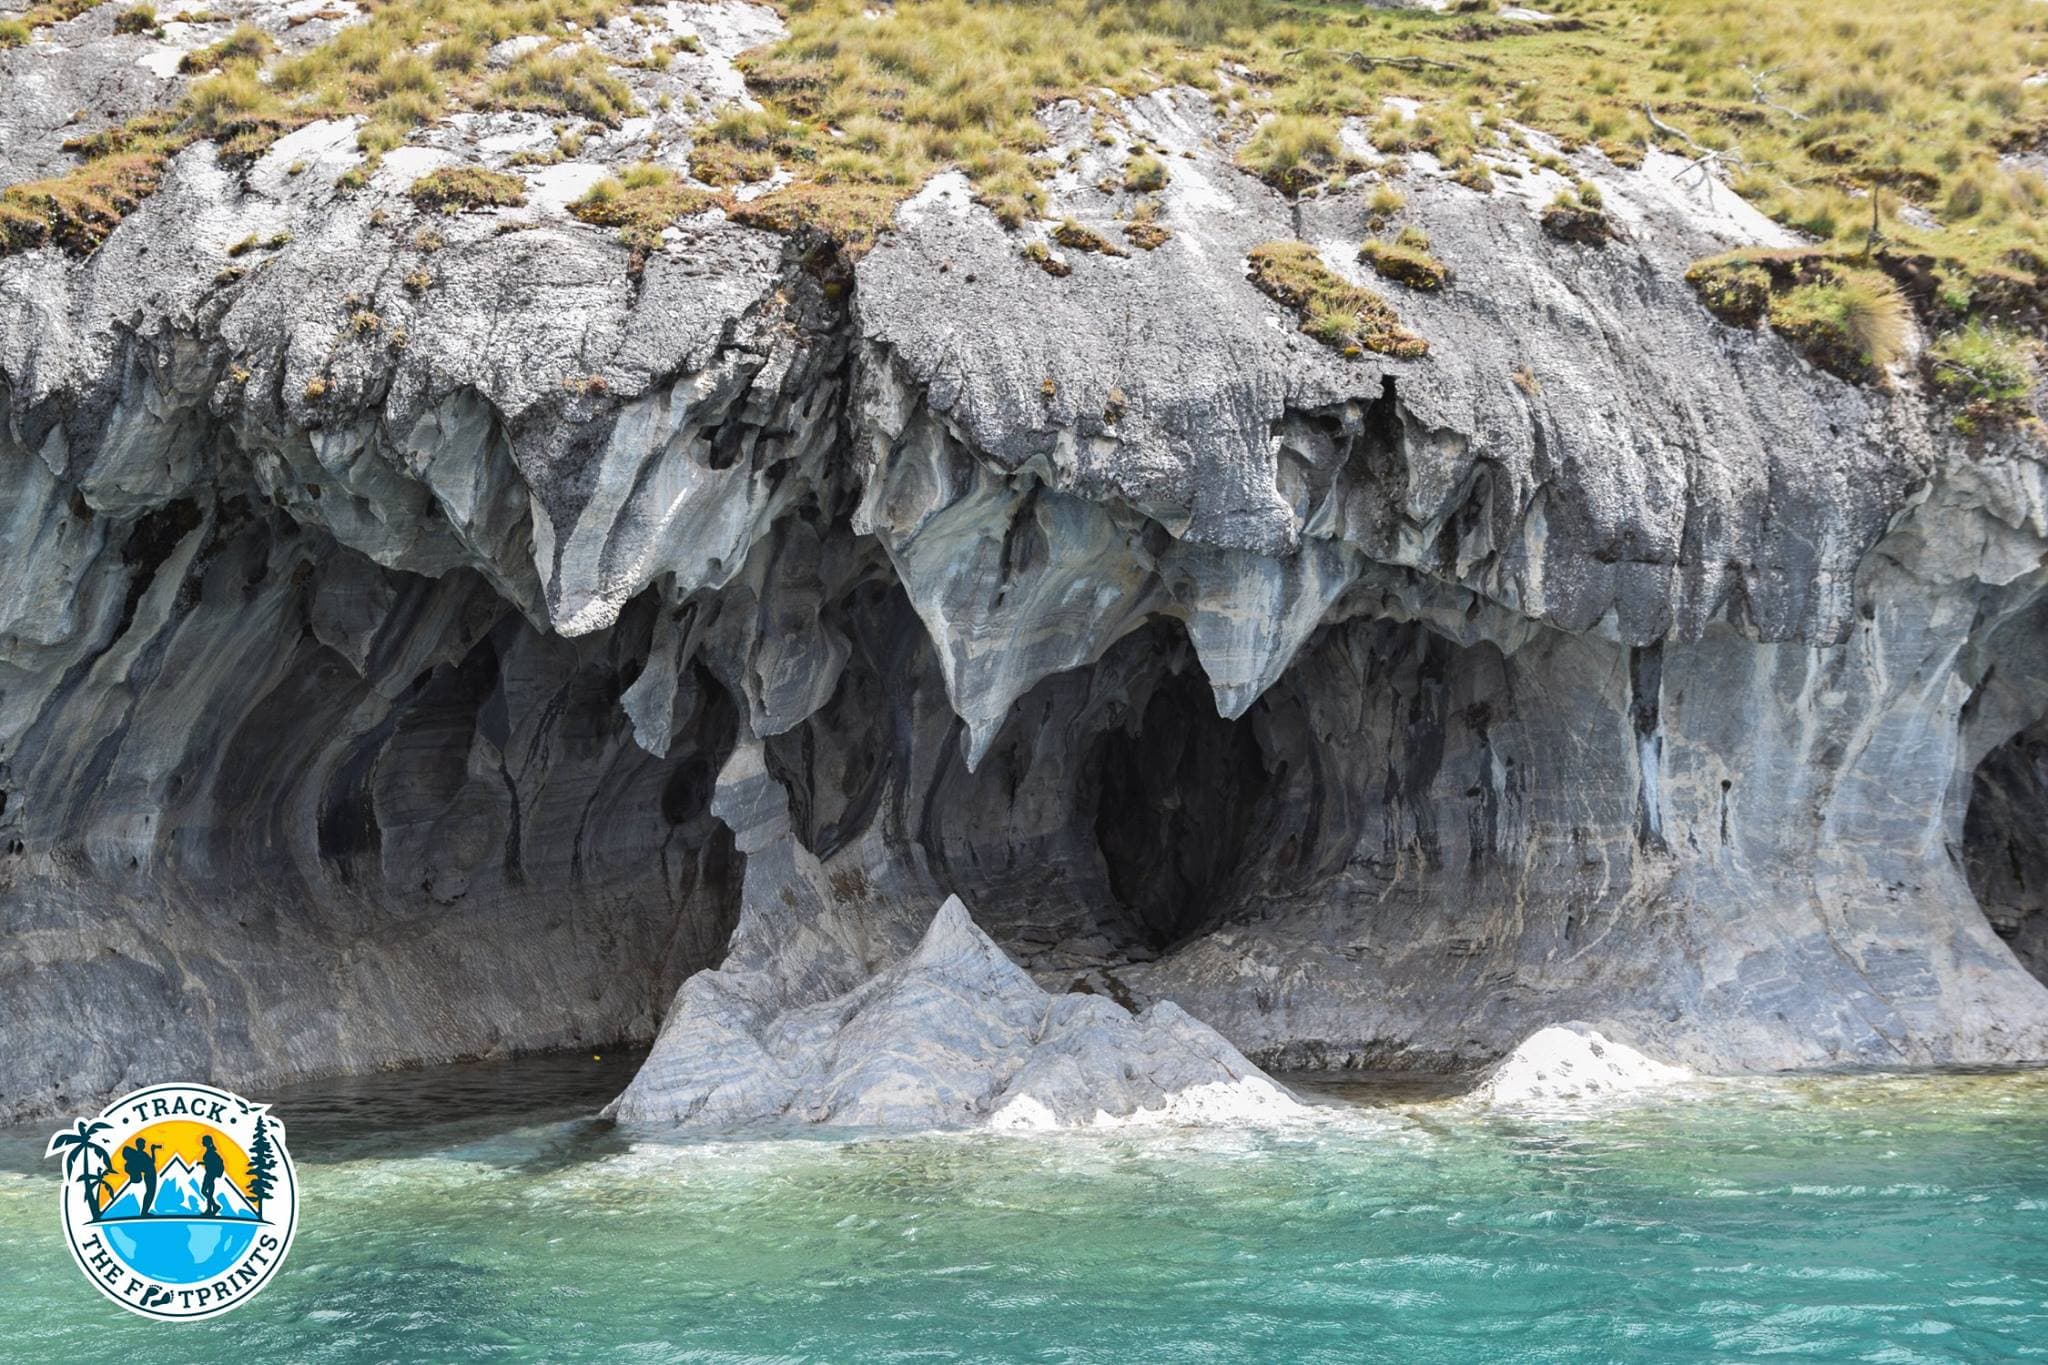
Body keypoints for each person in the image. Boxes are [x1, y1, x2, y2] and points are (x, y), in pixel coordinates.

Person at [120, 1137, 159, 1217]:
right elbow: (149, 1163)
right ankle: (144, 1212)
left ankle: (144, 1212)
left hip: (151, 1174)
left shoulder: (141, 1154)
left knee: (150, 1193)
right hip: (150, 1175)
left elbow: (151, 1162)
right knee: (150, 1193)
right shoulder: (139, 1155)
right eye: (143, 1144)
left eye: (144, 1144)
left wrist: (152, 1150)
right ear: (139, 1145)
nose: (144, 1145)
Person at [198, 1134, 226, 1217]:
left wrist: (203, 1163)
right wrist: (202, 1163)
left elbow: (211, 1163)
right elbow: (209, 1162)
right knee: (208, 1192)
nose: (202, 1142)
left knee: (204, 1191)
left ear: (207, 1142)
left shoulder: (210, 1152)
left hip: (210, 1174)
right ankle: (212, 1208)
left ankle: (213, 1207)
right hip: (210, 1174)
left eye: (203, 1141)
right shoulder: (210, 1151)